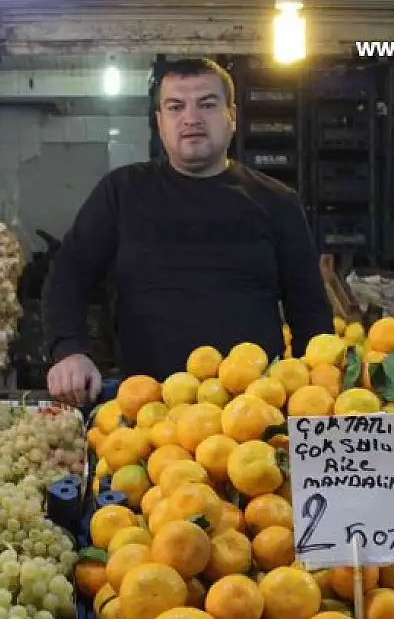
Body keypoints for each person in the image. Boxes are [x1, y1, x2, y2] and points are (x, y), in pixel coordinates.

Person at [42, 58, 334, 406]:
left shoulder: (276, 201)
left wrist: (318, 393)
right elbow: (68, 274)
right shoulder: (122, 192)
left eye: (207, 104)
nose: (191, 118)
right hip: (147, 415)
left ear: (233, 117)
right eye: (175, 106)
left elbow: (310, 309)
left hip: (255, 416)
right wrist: (69, 349)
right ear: (160, 123)